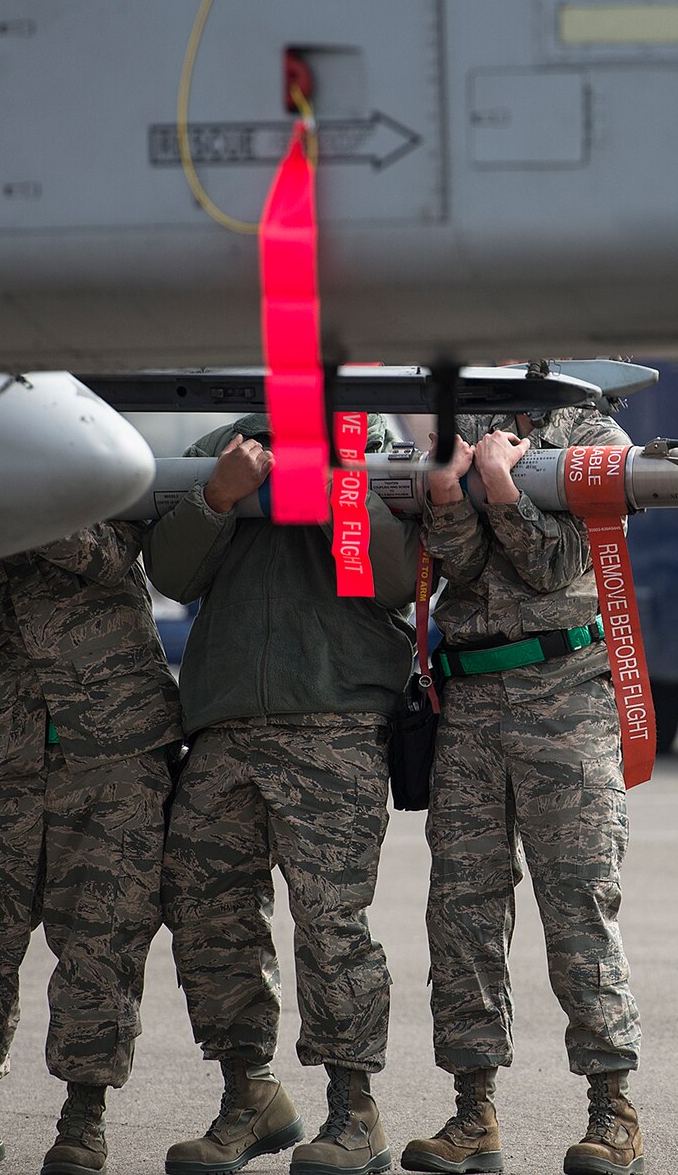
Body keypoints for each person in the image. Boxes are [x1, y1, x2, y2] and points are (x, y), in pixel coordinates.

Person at [148, 415, 420, 1175]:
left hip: (333, 715)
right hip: (227, 719)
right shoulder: (226, 445)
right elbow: (171, 576)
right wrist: (217, 499)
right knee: (207, 913)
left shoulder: (374, 439)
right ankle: (250, 1098)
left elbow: (395, 577)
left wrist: (341, 482)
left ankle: (354, 1111)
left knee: (331, 921)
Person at [0, 523, 180, 1175]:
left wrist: (5, 506)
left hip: (115, 748)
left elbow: (102, 552)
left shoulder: (85, 473)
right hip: (12, 748)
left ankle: (84, 1121)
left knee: (100, 936)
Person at [403, 405, 645, 1175]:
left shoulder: (595, 439)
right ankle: (472, 1113)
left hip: (568, 694)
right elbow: (463, 570)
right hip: (471, 701)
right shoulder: (461, 426)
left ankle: (613, 1111)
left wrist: (502, 484)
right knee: (462, 907)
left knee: (577, 901)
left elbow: (553, 563)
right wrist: (448, 498)